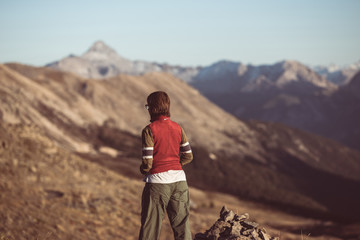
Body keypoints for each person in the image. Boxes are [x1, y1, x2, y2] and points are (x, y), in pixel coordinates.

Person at [138, 91, 193, 240]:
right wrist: (174, 164)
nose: (147, 109)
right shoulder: (178, 128)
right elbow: (188, 155)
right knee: (182, 227)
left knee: (150, 228)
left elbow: (147, 162)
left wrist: (144, 170)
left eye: (148, 106)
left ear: (153, 108)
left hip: (157, 183)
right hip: (180, 181)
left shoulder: (149, 130)